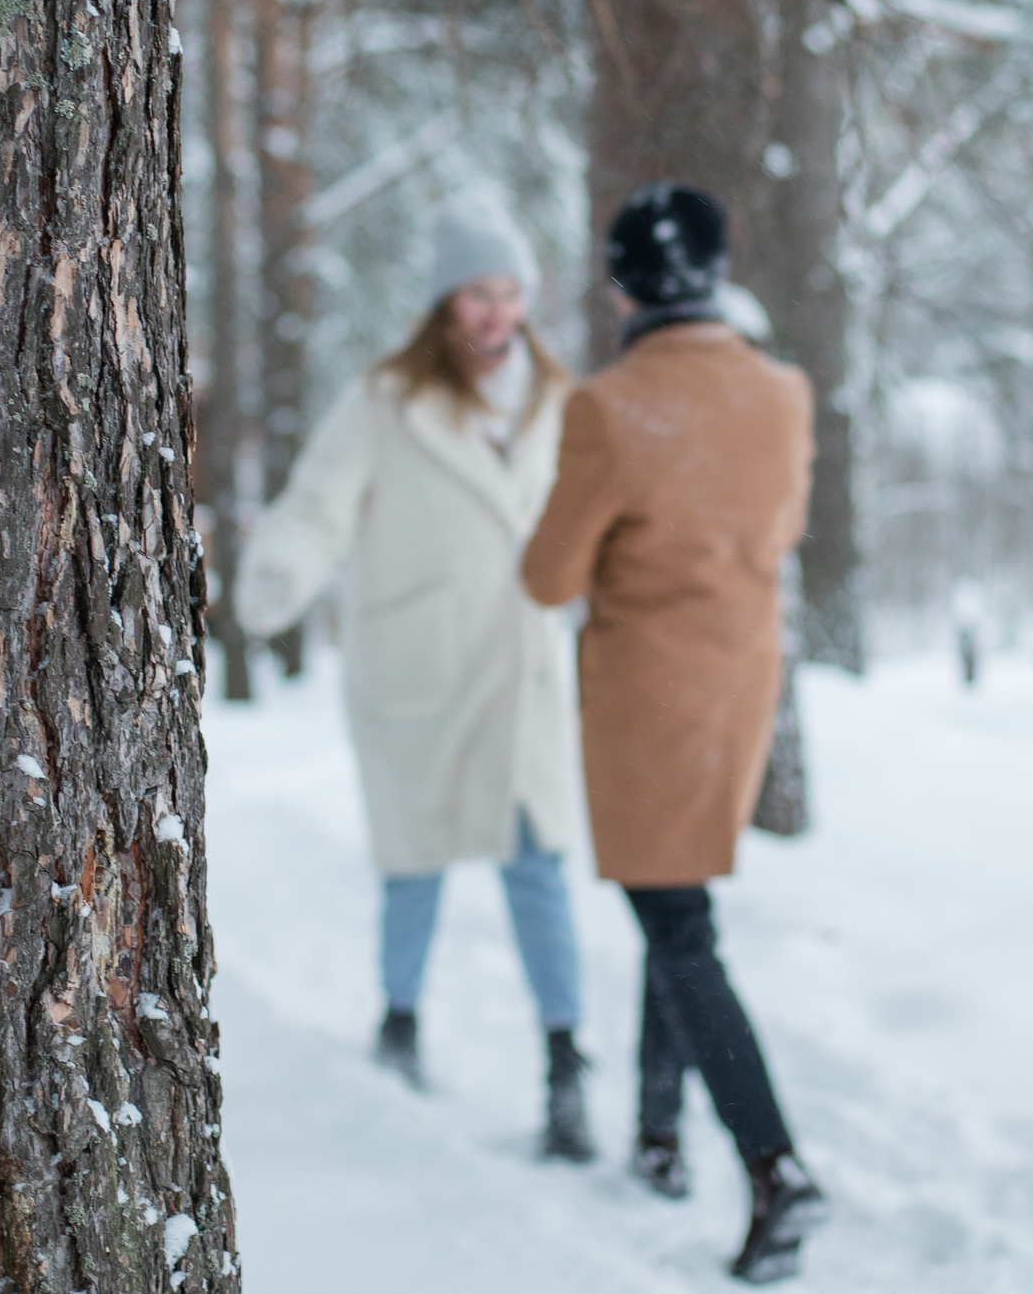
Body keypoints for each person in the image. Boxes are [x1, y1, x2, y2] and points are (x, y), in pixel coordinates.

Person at [238, 200, 594, 1162]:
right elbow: (319, 501)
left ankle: (566, 1066)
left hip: (522, 669)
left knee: (537, 864)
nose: (498, 312)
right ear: (444, 301)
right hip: (419, 665)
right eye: (479, 292)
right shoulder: (386, 400)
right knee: (415, 860)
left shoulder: (559, 399)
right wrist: (280, 572)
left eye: (511, 292)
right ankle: (399, 1025)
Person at [521, 183, 828, 1283]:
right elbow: (781, 525)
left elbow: (548, 575)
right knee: (679, 899)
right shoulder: (781, 394)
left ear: (622, 286)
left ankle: (775, 1166)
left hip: (648, 701)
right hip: (739, 691)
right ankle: (658, 1136)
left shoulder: (610, 408)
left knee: (680, 929)